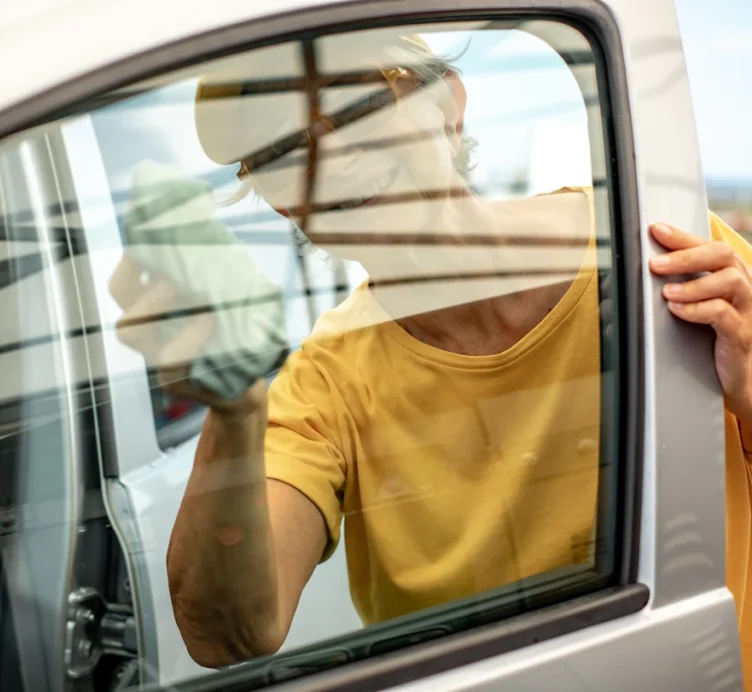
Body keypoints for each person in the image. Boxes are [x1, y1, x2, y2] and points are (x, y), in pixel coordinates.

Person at [109, 32, 752, 675]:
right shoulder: (324, 384)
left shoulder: (674, 259)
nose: (326, 157)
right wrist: (233, 408)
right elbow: (227, 633)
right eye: (281, 151)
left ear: (448, 104)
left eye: (357, 103)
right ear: (283, 202)